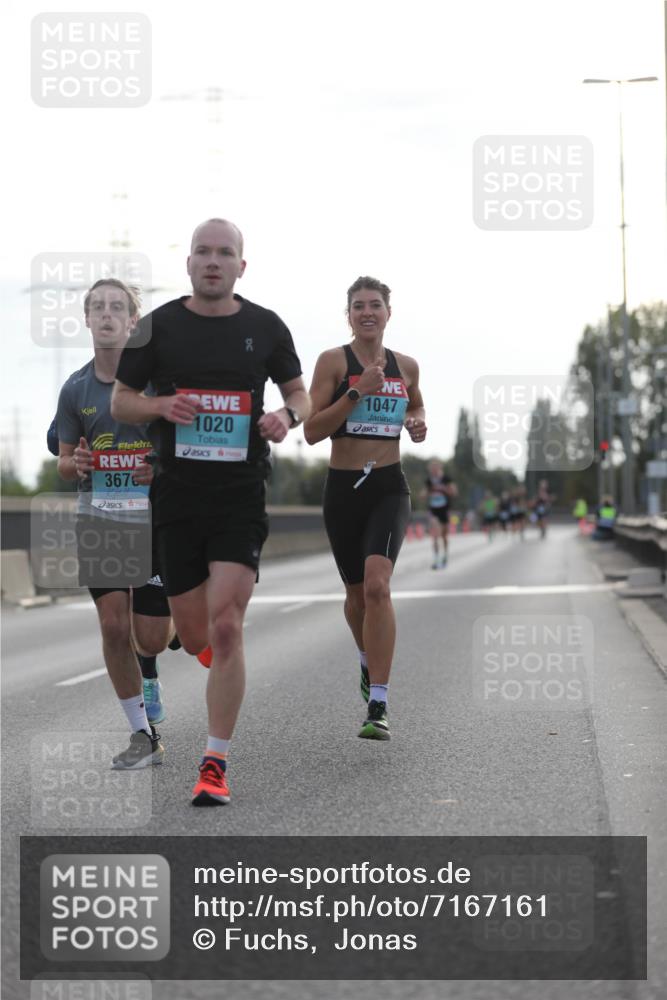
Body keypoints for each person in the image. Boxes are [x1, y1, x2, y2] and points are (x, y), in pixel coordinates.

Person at [111, 218, 309, 806]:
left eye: (225, 253)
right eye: (204, 252)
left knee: (227, 627)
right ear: (190, 263)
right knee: (196, 631)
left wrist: (287, 417)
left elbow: (299, 393)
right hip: (176, 496)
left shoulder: (266, 326)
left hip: (240, 494)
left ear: (241, 266)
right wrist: (162, 405)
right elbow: (122, 401)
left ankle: (214, 763)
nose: (214, 261)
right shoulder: (158, 327)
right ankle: (200, 648)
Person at [56, 278, 173, 767]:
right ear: (86, 320)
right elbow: (64, 461)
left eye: (117, 308)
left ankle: (160, 652)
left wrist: (159, 465)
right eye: (97, 307)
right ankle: (143, 736)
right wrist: (77, 464)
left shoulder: (156, 381)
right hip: (100, 518)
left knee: (149, 637)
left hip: (152, 520)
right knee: (111, 625)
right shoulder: (75, 388)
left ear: (132, 321)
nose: (106, 314)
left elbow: (178, 444)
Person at [303, 276, 427, 741]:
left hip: (388, 487)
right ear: (349, 315)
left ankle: (379, 701)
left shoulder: (408, 365)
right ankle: (365, 660)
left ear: (389, 313)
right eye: (359, 306)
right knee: (356, 595)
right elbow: (312, 430)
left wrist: (417, 421)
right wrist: (357, 392)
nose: (368, 312)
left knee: (378, 586)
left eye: (376, 305)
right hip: (343, 490)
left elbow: (417, 405)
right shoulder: (334, 361)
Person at [422, 459, 457, 569]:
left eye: (435, 468)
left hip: (445, 509)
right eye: (432, 469)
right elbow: (424, 494)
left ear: (440, 468)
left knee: (444, 536)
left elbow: (454, 492)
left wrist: (443, 489)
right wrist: (426, 493)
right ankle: (436, 559)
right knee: (435, 535)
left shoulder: (446, 479)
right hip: (433, 509)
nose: (434, 471)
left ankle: (445, 555)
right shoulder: (429, 481)